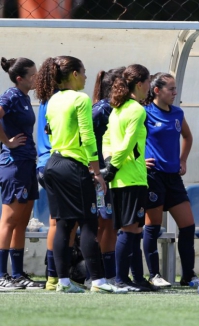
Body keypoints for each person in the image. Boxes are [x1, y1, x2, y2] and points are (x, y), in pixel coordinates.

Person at [39, 55, 123, 293]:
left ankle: (62, 282)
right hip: (73, 166)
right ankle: (98, 281)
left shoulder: (53, 99)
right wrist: (96, 173)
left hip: (53, 165)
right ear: (74, 74)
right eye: (83, 71)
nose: (87, 76)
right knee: (88, 223)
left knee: (63, 224)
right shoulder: (80, 98)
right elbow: (87, 138)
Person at [101, 64, 158, 292]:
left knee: (133, 229)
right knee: (129, 229)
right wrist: (113, 167)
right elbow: (127, 143)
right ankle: (121, 279)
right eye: (148, 83)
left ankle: (137, 280)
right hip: (131, 178)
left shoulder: (118, 109)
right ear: (140, 84)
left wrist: (107, 163)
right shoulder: (136, 109)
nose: (149, 88)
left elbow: (106, 138)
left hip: (120, 179)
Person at [142, 72, 197, 288]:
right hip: (153, 176)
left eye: (175, 89)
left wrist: (183, 160)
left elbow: (188, 136)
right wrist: (138, 161)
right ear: (156, 90)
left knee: (188, 225)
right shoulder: (144, 113)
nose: (175, 93)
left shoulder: (177, 113)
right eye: (171, 89)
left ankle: (188, 275)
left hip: (173, 177)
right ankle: (154, 275)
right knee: (152, 226)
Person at [0, 57, 43, 290]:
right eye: (33, 75)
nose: (37, 78)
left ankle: (17, 274)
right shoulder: (12, 95)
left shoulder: (24, 97)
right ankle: (1, 275)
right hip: (13, 164)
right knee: (9, 220)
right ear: (20, 78)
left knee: (22, 222)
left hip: (27, 163)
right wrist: (7, 142)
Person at [35, 68, 78, 291]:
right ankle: (56, 276)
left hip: (44, 164)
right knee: (62, 224)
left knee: (59, 222)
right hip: (58, 163)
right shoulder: (60, 101)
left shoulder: (46, 101)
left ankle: (55, 276)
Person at [91, 67, 125, 285]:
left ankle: (109, 275)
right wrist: (93, 170)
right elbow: (85, 140)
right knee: (102, 225)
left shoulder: (116, 109)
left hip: (113, 175)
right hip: (100, 176)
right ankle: (96, 275)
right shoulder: (101, 110)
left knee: (110, 225)